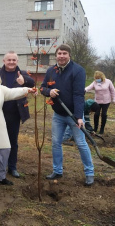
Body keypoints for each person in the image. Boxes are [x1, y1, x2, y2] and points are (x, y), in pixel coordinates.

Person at [40, 44, 95, 186]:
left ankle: (89, 173)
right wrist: (49, 92)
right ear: (56, 55)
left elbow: (78, 94)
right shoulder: (51, 71)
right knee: (56, 143)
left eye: (64, 53)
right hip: (58, 114)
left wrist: (78, 117)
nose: (62, 56)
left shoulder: (78, 71)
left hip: (74, 115)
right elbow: (43, 87)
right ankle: (57, 170)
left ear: (69, 55)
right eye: (59, 53)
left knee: (81, 143)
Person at [0, 51, 35, 178]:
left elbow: (32, 83)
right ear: (4, 61)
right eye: (9, 60)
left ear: (17, 61)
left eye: (14, 60)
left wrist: (23, 81)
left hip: (15, 114)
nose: (11, 62)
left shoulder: (22, 74)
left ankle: (12, 167)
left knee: (12, 141)